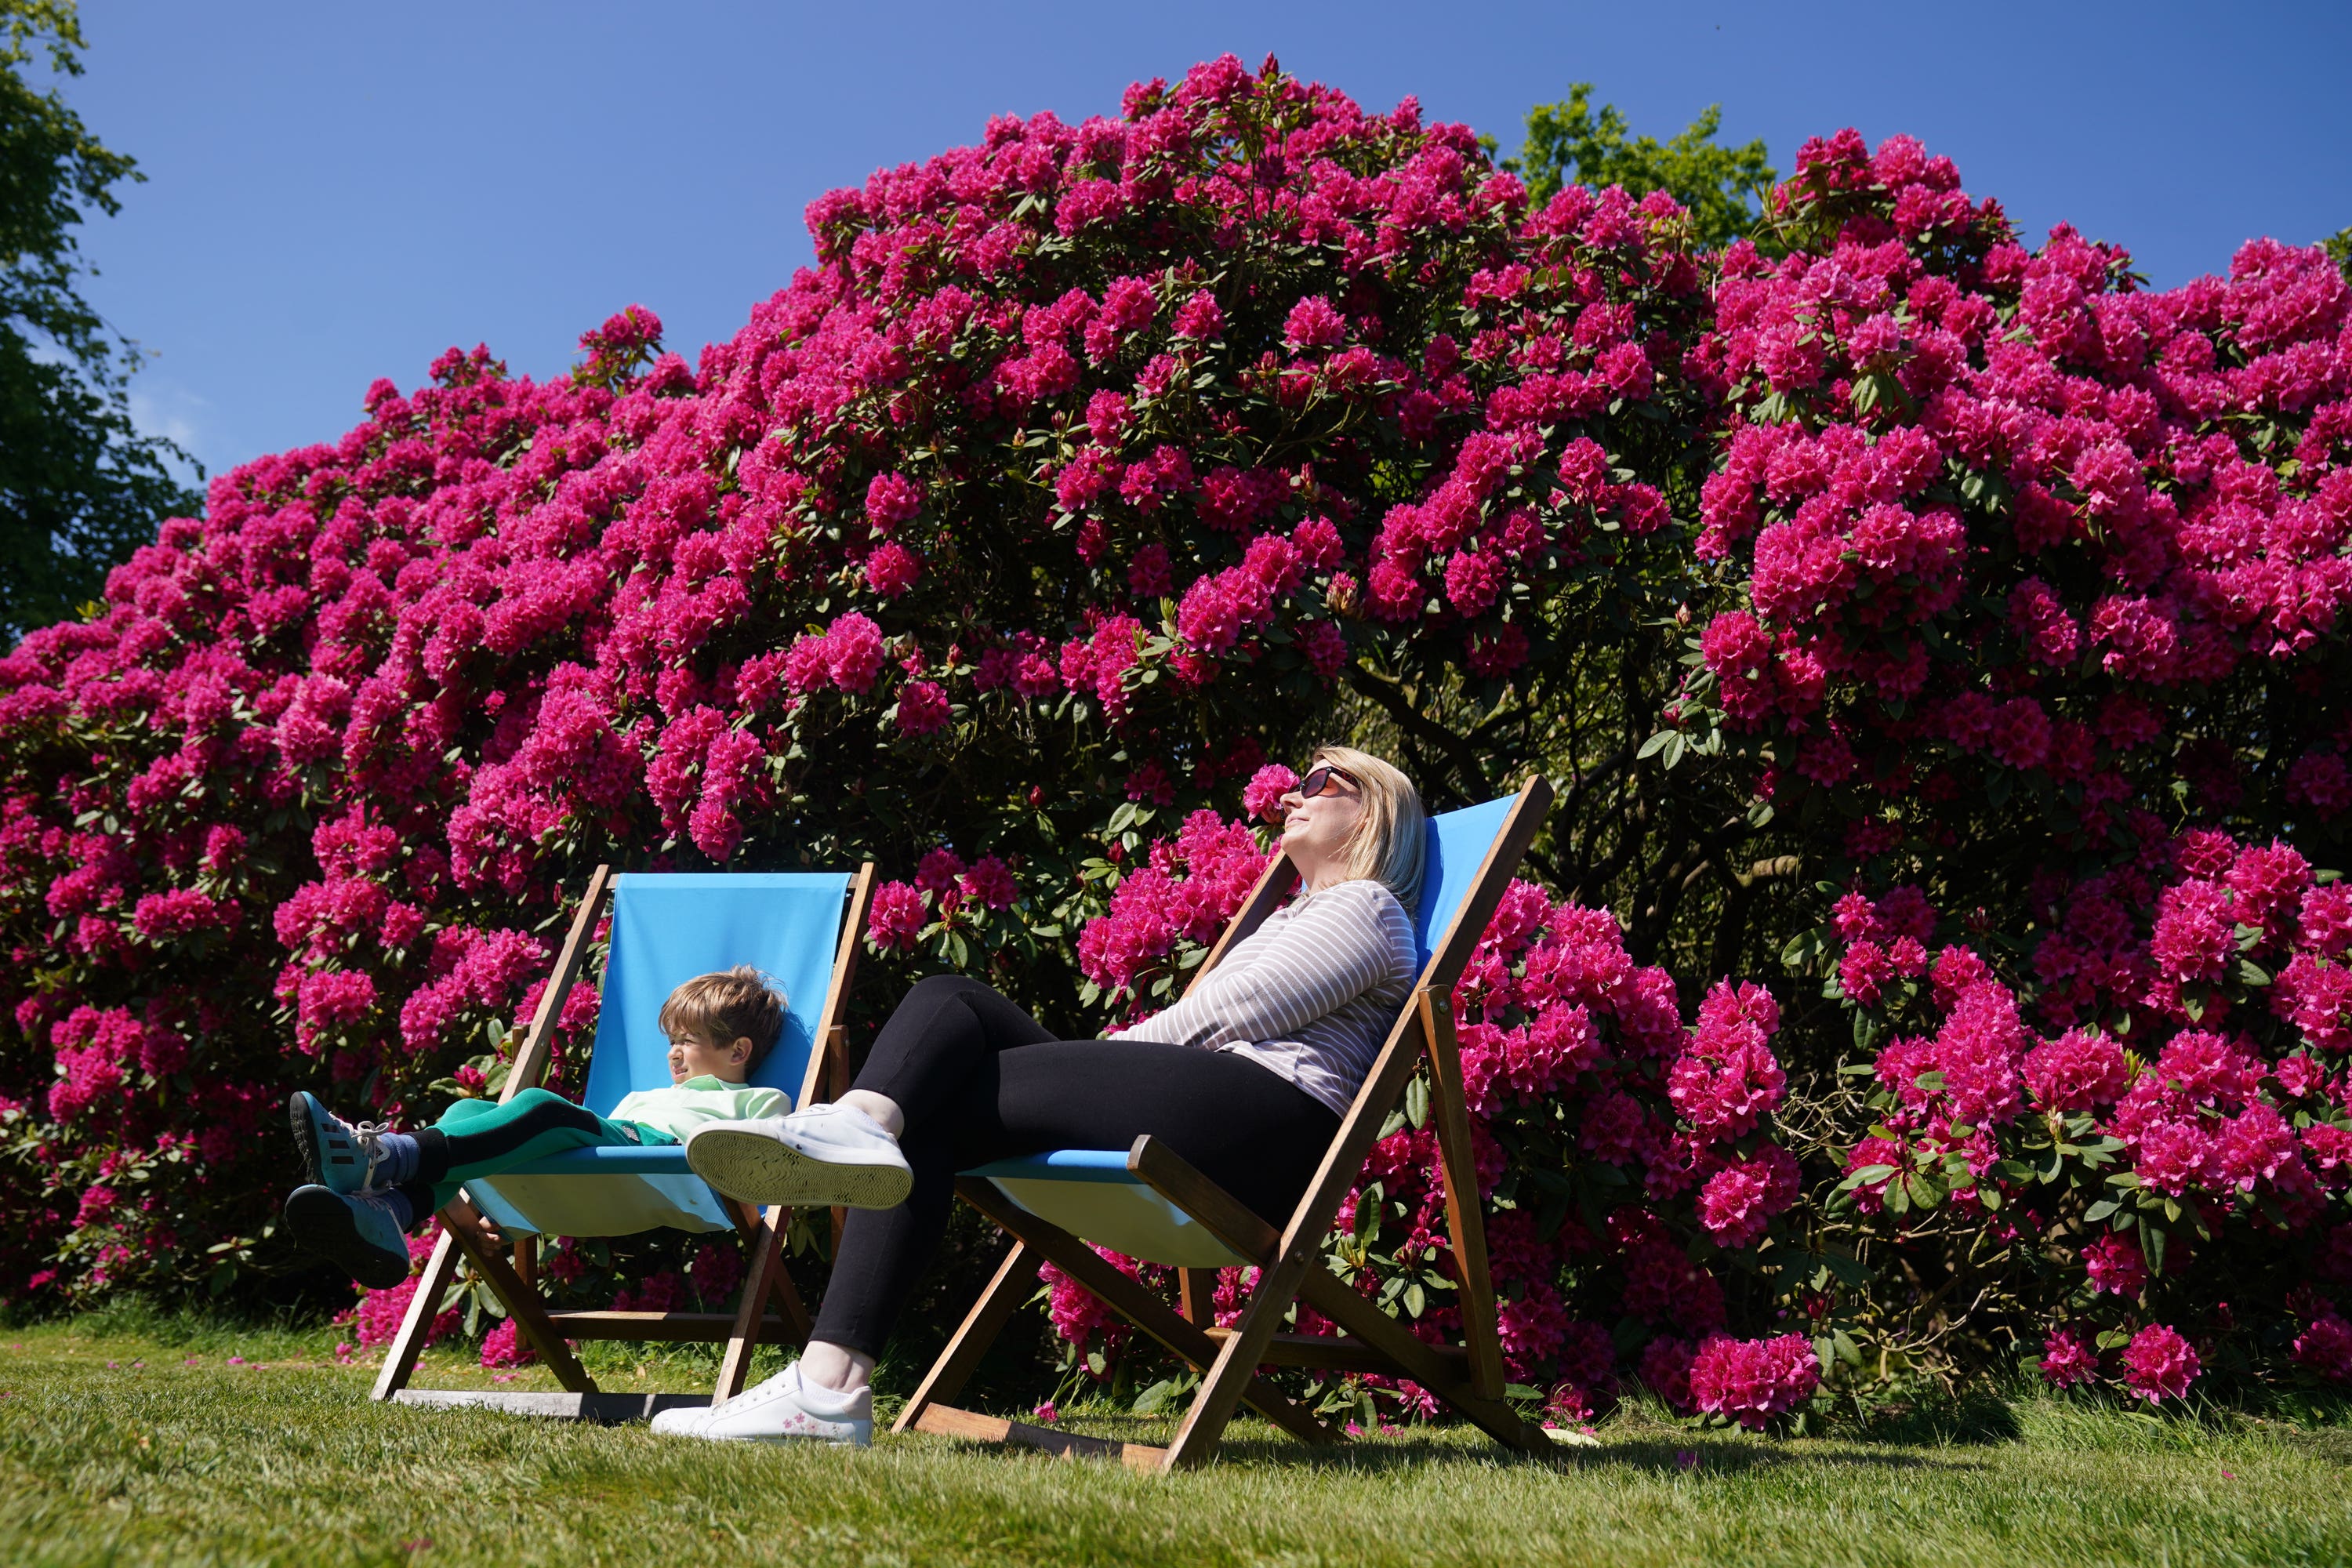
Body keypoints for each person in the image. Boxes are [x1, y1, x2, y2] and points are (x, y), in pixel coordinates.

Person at [653, 746, 1425, 1447]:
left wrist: (1096, 1059)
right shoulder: (1305, 912)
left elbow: (1227, 1016)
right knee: (945, 1013)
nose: (1295, 792)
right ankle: (830, 1375)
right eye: (1299, 779)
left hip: (1262, 1126)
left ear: (1377, 812)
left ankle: (831, 1357)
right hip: (1221, 1106)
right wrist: (1084, 1066)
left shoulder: (1367, 907)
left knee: (937, 1069)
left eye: (1323, 780)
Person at [281, 966, 789, 1293]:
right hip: (601, 1175)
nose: (672, 1051)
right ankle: (392, 1210)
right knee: (464, 1117)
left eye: (687, 1040)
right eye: (671, 1040)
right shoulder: (650, 1097)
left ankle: (385, 1157)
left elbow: (765, 1162)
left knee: (542, 1108)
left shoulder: (759, 1100)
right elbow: (609, 1132)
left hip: (669, 1170)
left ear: (738, 1052)